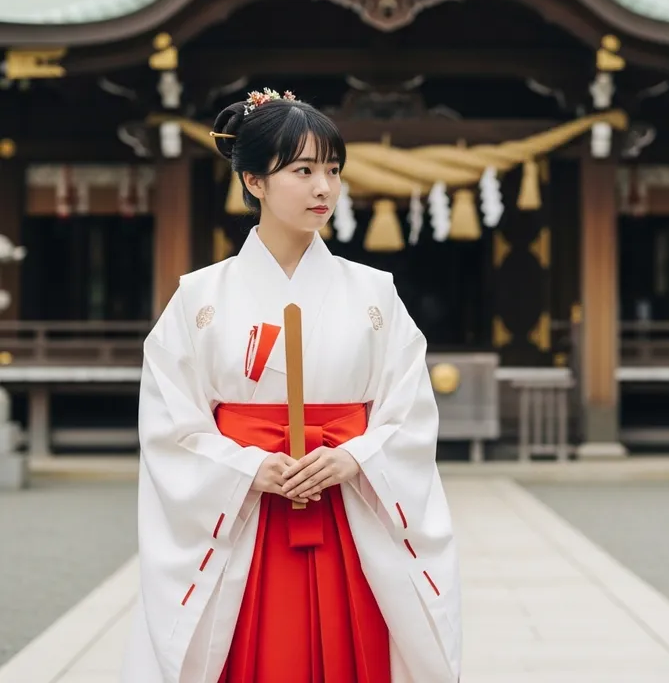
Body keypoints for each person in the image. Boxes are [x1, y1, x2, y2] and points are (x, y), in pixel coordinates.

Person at [121, 89, 462, 683]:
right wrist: (246, 466)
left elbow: (408, 410)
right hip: (249, 511)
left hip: (346, 508)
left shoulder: (374, 294)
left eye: (332, 170)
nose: (323, 188)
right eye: (302, 170)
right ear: (254, 180)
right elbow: (171, 422)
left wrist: (354, 456)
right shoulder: (200, 298)